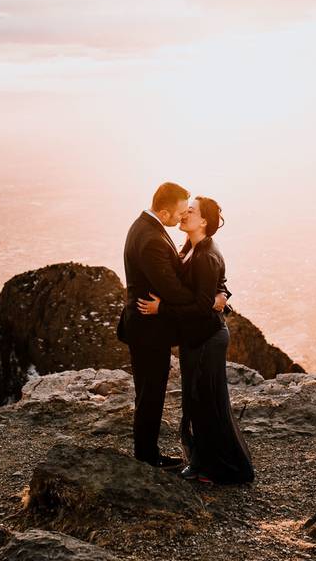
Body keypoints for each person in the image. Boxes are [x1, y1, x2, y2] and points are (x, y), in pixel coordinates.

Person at [137, 196, 255, 484]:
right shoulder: (192, 247)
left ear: (203, 221)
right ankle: (211, 464)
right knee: (200, 401)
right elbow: (216, 287)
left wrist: (161, 308)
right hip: (198, 338)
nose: (184, 215)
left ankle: (212, 468)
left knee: (203, 402)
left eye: (190, 211)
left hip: (207, 338)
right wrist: (222, 295)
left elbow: (203, 304)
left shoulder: (205, 255)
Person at [116, 182, 228, 467]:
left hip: (151, 327)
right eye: (179, 212)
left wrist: (218, 293)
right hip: (147, 329)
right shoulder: (151, 238)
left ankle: (147, 452)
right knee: (151, 392)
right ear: (163, 211)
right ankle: (147, 457)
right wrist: (206, 299)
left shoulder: (147, 228)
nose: (181, 217)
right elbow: (171, 288)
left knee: (150, 391)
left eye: (187, 211)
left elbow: (200, 273)